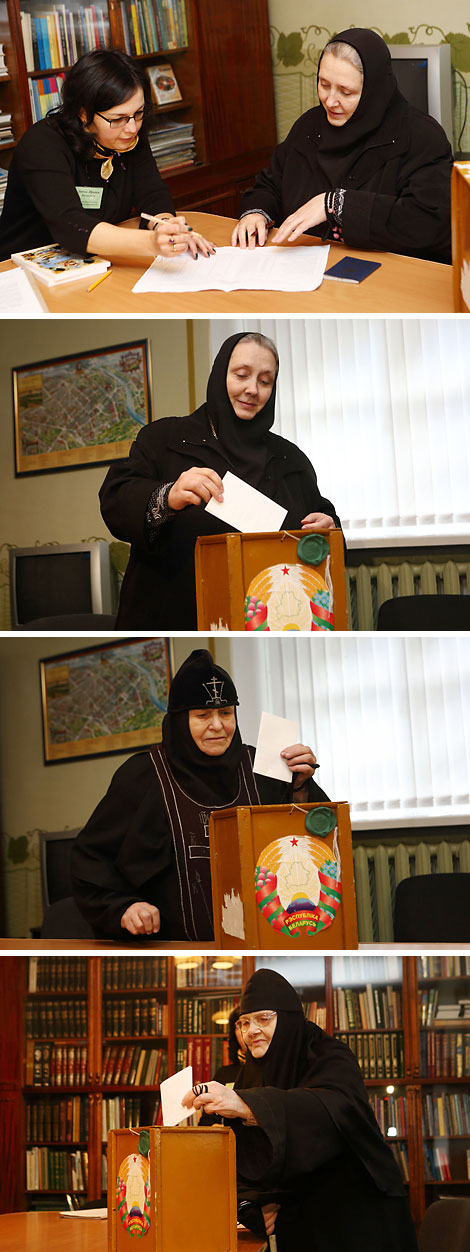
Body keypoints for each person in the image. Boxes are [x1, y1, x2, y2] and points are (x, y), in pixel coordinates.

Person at [71, 650, 327, 942]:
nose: (217, 725)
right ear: (181, 720)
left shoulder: (264, 769)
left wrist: (301, 786)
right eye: (203, 715)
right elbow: (90, 858)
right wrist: (123, 907)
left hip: (266, 940)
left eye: (226, 712)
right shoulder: (143, 776)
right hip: (171, 947)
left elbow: (314, 846)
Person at [99, 331, 341, 631]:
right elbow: (114, 499)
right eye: (241, 375)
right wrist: (167, 496)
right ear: (219, 375)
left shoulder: (291, 459)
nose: (252, 389)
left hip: (263, 621)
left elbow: (326, 529)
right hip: (172, 614)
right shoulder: (165, 439)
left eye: (265, 381)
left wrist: (328, 529)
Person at [183, 967, 420, 1252]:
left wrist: (248, 1105)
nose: (251, 1030)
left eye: (263, 1018)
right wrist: (252, 1205)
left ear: (289, 1018)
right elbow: (246, 1154)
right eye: (244, 1023)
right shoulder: (254, 1070)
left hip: (356, 1223)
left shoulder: (330, 1054)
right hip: (299, 1225)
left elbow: (331, 1112)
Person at [233, 29, 452, 263]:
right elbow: (271, 183)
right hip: (302, 269)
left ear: (373, 91)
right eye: (324, 84)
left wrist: (335, 204)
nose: (330, 101)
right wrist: (256, 212)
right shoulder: (309, 125)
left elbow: (429, 223)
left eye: (346, 92)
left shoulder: (421, 137)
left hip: (387, 278)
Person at [0, 49, 215, 263]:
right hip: (24, 266)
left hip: (92, 261)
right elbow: (71, 225)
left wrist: (168, 228)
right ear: (84, 113)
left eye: (138, 113)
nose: (131, 127)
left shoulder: (127, 134)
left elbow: (152, 195)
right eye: (118, 118)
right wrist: (150, 242)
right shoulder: (42, 144)